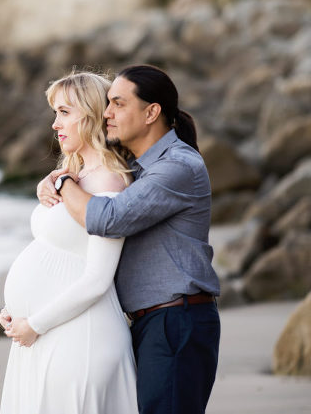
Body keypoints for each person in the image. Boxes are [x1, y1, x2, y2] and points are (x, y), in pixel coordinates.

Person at [37, 65, 221, 414]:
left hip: (176, 322)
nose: (106, 113)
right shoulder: (136, 167)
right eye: (107, 103)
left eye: (118, 104)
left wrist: (62, 182)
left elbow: (108, 219)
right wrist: (55, 177)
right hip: (149, 323)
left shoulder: (177, 166)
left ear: (151, 112)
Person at [0, 72, 139, 414]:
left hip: (80, 338)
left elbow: (97, 279)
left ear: (90, 115)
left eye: (63, 112)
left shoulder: (109, 180)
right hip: (47, 334)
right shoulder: (71, 176)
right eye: (55, 113)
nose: (54, 124)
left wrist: (34, 324)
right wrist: (19, 313)